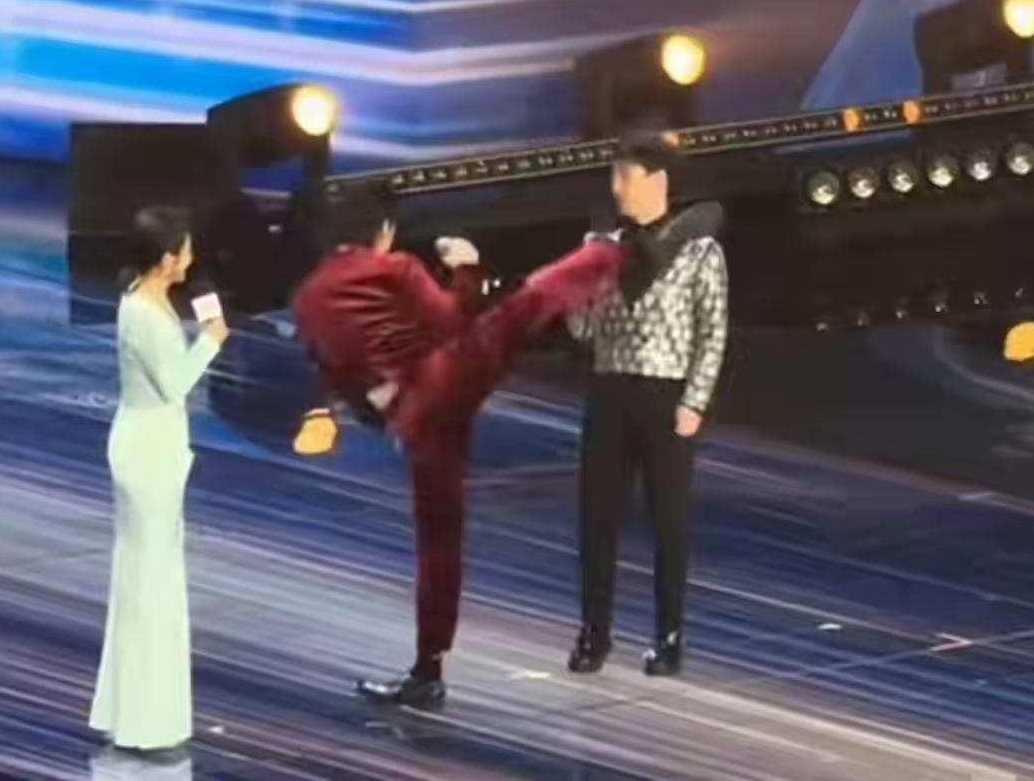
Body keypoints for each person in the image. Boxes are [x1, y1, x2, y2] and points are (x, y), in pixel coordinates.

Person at [291, 186, 621, 709]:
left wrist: (378, 413)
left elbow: (332, 369)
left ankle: (429, 670)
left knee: (438, 543)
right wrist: (465, 269)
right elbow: (452, 321)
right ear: (384, 232)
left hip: (410, 419)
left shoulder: (307, 298)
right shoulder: (396, 268)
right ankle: (607, 252)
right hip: (443, 382)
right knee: (519, 310)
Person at [566, 134, 728, 678]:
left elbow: (712, 331)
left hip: (666, 396)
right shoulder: (606, 248)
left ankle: (669, 637)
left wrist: (695, 401)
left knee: (667, 523)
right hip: (609, 391)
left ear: (655, 181)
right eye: (614, 177)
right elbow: (581, 329)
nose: (616, 189)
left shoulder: (699, 251)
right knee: (597, 519)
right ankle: (594, 632)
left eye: (625, 177)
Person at [90, 206, 230, 757]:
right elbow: (174, 383)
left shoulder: (143, 299)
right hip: (147, 453)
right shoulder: (144, 313)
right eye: (186, 251)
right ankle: (145, 722)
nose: (191, 260)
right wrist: (211, 339)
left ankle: (131, 711)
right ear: (167, 257)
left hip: (150, 445)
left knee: (144, 579)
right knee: (150, 583)